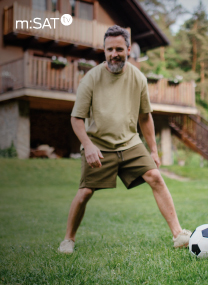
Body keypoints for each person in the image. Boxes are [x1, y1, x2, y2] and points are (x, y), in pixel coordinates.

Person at [58, 25, 191, 254]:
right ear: (104, 50)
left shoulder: (138, 78)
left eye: (119, 49)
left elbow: (145, 117)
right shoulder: (91, 79)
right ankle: (68, 239)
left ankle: (178, 234)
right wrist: (88, 146)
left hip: (130, 143)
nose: (114, 54)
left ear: (128, 50)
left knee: (155, 177)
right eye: (109, 49)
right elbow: (76, 119)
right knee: (85, 192)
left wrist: (153, 150)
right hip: (98, 145)